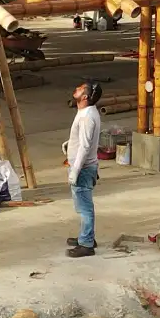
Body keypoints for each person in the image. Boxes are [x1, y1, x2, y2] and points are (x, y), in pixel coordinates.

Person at [63, 79, 103, 257]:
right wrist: (70, 145)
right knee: (82, 205)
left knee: (85, 207)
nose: (76, 89)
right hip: (82, 166)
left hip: (84, 168)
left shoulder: (87, 117)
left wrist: (75, 171)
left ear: (85, 96)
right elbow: (82, 141)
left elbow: (85, 147)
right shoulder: (85, 112)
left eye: (80, 89)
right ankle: (86, 236)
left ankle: (86, 244)